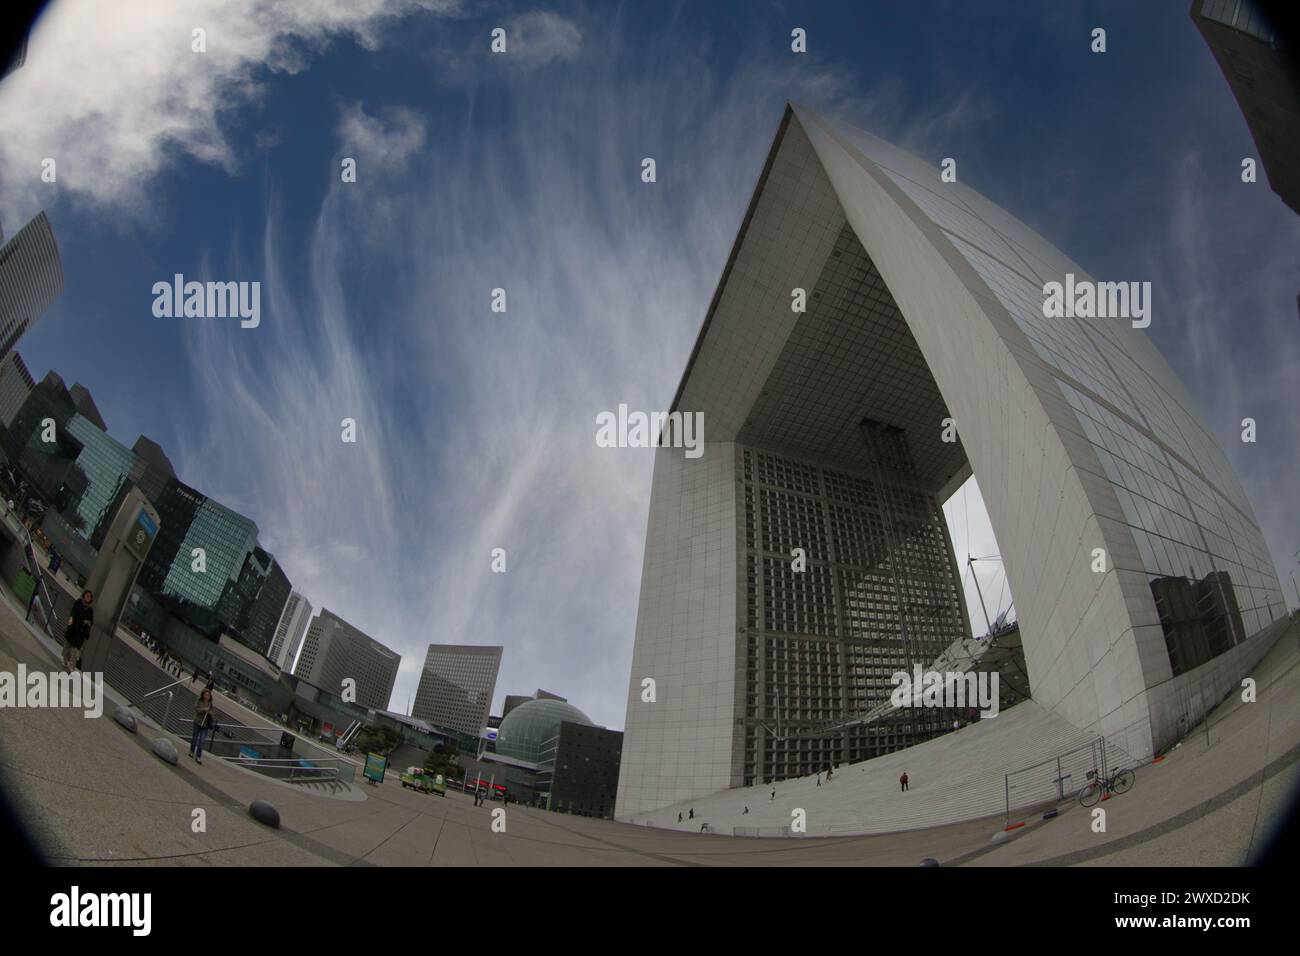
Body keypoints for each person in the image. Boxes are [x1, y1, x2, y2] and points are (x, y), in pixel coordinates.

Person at [63, 589, 94, 671]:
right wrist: (71, 618)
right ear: (84, 596)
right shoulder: (78, 602)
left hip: (80, 633)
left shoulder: (90, 610)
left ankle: (72, 667)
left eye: (90, 597)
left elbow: (91, 621)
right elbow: (73, 612)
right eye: (87, 596)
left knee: (75, 650)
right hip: (73, 628)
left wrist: (87, 622)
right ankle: (65, 661)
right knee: (66, 647)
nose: (88, 598)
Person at [190, 688, 215, 764]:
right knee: (194, 738)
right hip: (197, 722)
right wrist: (204, 709)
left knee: (201, 741)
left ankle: (198, 756)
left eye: (208, 695)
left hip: (205, 725)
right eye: (206, 694)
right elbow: (196, 709)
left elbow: (213, 714)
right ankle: (192, 751)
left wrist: (209, 712)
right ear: (203, 695)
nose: (207, 696)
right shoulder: (199, 701)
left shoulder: (211, 705)